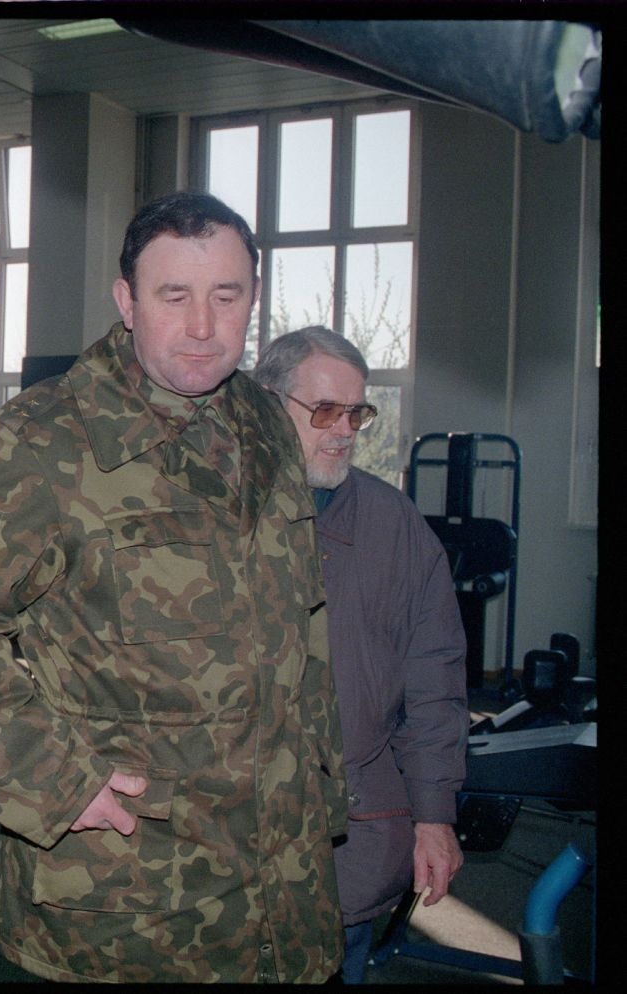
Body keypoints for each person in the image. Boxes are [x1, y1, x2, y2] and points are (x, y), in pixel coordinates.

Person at [0, 191, 347, 983]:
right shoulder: (45, 440)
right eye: (174, 296)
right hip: (129, 901)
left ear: (253, 302)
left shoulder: (269, 426)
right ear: (127, 302)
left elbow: (299, 628)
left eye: (226, 296)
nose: (203, 325)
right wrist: (54, 779)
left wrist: (325, 791)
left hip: (282, 887)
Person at [251, 326, 467, 982]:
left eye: (357, 412)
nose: (345, 429)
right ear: (265, 405)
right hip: (222, 836)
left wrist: (435, 814)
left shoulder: (396, 528)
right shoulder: (206, 514)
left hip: (349, 833)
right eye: (325, 411)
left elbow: (434, 679)